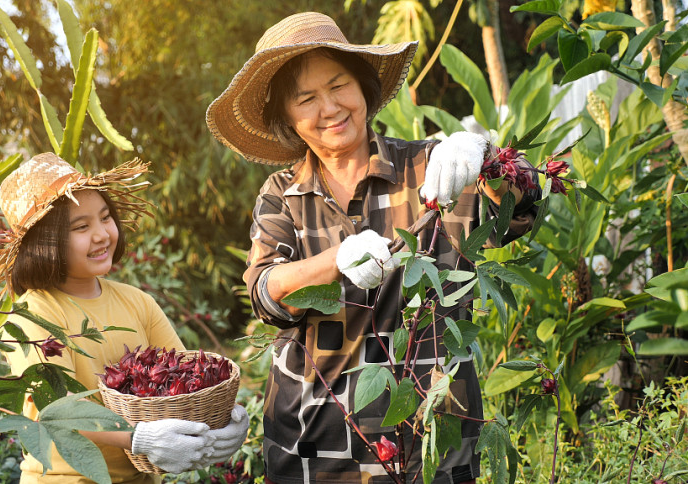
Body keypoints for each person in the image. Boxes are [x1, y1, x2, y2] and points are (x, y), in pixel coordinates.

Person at [206, 12, 540, 484]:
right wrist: (334, 261)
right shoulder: (282, 194)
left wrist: (485, 158)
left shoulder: (427, 167)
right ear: (287, 117)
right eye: (306, 99)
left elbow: (524, 207)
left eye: (339, 85)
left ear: (363, 87)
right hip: (314, 443)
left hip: (431, 439)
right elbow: (265, 291)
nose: (329, 108)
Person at [0, 153, 249, 483]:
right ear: (46, 243)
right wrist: (138, 439)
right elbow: (58, 410)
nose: (102, 234)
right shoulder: (32, 314)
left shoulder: (137, 302)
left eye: (105, 218)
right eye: (82, 226)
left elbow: (187, 377)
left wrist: (222, 417)